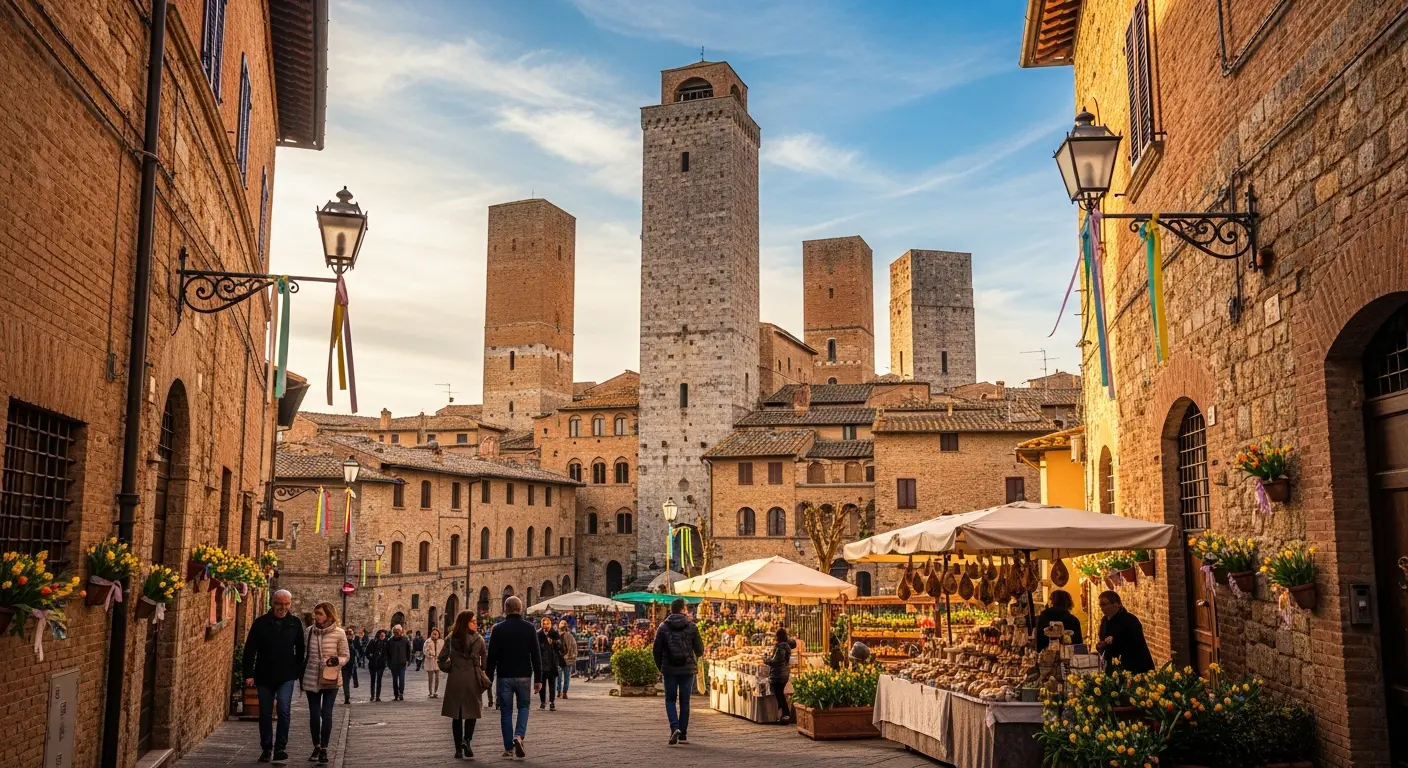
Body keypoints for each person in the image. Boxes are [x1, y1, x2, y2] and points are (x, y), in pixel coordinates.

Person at [242, 588, 305, 764]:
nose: (283, 607)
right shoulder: (260, 623)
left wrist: (298, 672)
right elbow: (250, 650)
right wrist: (248, 674)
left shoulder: (295, 623)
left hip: (286, 675)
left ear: (290, 604)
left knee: (284, 710)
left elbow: (300, 649)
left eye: (286, 604)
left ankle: (280, 748)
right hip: (264, 674)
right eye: (279, 604)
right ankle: (266, 748)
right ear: (272, 603)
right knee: (265, 713)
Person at [486, 596, 542, 759]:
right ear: (520, 608)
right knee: (524, 707)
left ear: (505, 609)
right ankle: (519, 736)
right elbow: (536, 655)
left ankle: (508, 748)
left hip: (504, 676)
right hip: (524, 675)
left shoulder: (498, 629)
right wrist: (538, 678)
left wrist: (488, 677)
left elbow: (492, 657)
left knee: (506, 712)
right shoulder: (530, 628)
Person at [300, 602, 350, 764]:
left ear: (328, 615)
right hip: (311, 677)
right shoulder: (309, 632)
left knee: (326, 713)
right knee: (314, 714)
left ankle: (324, 749)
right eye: (316, 613)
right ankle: (316, 745)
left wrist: (337, 660)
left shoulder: (339, 633)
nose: (317, 616)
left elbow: (345, 656)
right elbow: (304, 653)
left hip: (330, 678)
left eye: (320, 613)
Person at [653, 597, 704, 746]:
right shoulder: (692, 626)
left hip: (669, 669)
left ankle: (674, 727)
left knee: (670, 700)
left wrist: (660, 666)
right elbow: (700, 650)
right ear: (682, 609)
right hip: (687, 670)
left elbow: (656, 650)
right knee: (685, 701)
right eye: (686, 608)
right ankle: (683, 735)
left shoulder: (662, 627)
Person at [440, 610, 490, 760]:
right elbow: (484, 660)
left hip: (455, 678)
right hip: (472, 679)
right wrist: (480, 669)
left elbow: (441, 659)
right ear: (465, 622)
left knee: (457, 715)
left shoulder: (451, 638)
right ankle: (466, 741)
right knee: (472, 712)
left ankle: (458, 750)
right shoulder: (479, 639)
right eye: (473, 621)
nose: (476, 623)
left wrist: (450, 668)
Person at [1096, 590, 1155, 673]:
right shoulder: (1104, 621)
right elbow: (1103, 640)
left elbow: (1136, 643)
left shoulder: (1130, 620)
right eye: (1100, 605)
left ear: (1116, 604)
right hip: (1112, 667)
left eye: (1104, 604)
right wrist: (1101, 646)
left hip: (1133, 667)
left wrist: (1115, 640)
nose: (1101, 608)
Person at [764, 627, 794, 724]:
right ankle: (783, 715)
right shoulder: (785, 645)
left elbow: (776, 661)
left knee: (779, 695)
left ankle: (786, 714)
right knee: (779, 694)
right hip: (783, 673)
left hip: (779, 674)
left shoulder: (781, 648)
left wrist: (766, 660)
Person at [536, 616, 561, 711]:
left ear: (550, 624)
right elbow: (536, 647)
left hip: (552, 662)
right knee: (542, 684)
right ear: (542, 625)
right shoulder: (538, 634)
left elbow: (560, 646)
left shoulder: (554, 633)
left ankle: (552, 702)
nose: (545, 626)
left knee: (552, 684)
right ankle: (542, 701)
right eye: (544, 624)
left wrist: (554, 642)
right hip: (542, 663)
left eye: (547, 624)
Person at [385, 624, 413, 701]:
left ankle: (401, 692)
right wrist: (388, 663)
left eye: (397, 632)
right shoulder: (390, 641)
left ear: (401, 632)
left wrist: (408, 661)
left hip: (402, 663)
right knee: (394, 680)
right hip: (393, 664)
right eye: (394, 632)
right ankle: (395, 694)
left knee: (401, 678)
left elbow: (409, 651)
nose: (396, 633)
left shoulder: (405, 640)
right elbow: (387, 653)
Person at [366, 629, 388, 702]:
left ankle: (377, 696)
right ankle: (372, 695)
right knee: (373, 680)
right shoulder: (373, 642)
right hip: (373, 664)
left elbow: (387, 654)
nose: (382, 637)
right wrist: (371, 658)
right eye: (381, 635)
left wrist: (384, 661)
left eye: (383, 636)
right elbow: (367, 652)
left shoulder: (386, 643)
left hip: (381, 664)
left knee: (379, 680)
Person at [556, 620, 576, 699]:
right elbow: (574, 647)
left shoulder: (556, 635)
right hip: (568, 659)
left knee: (558, 678)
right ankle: (564, 693)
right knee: (567, 677)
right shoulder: (570, 636)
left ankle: (558, 692)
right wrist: (573, 656)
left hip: (558, 660)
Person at [424, 627, 445, 698]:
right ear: (431, 634)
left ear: (438, 634)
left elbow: (444, 651)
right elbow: (425, 650)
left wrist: (443, 657)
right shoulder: (427, 641)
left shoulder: (441, 642)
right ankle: (430, 692)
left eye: (436, 634)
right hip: (430, 661)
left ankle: (435, 691)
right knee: (430, 678)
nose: (435, 635)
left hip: (438, 661)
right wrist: (430, 653)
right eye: (433, 633)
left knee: (437, 678)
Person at [341, 627, 359, 705]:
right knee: (346, 682)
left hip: (352, 665)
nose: (349, 636)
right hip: (345, 665)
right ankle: (347, 697)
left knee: (349, 681)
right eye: (348, 634)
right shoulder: (343, 643)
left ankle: (347, 696)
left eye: (350, 634)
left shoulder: (355, 642)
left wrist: (358, 657)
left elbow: (358, 651)